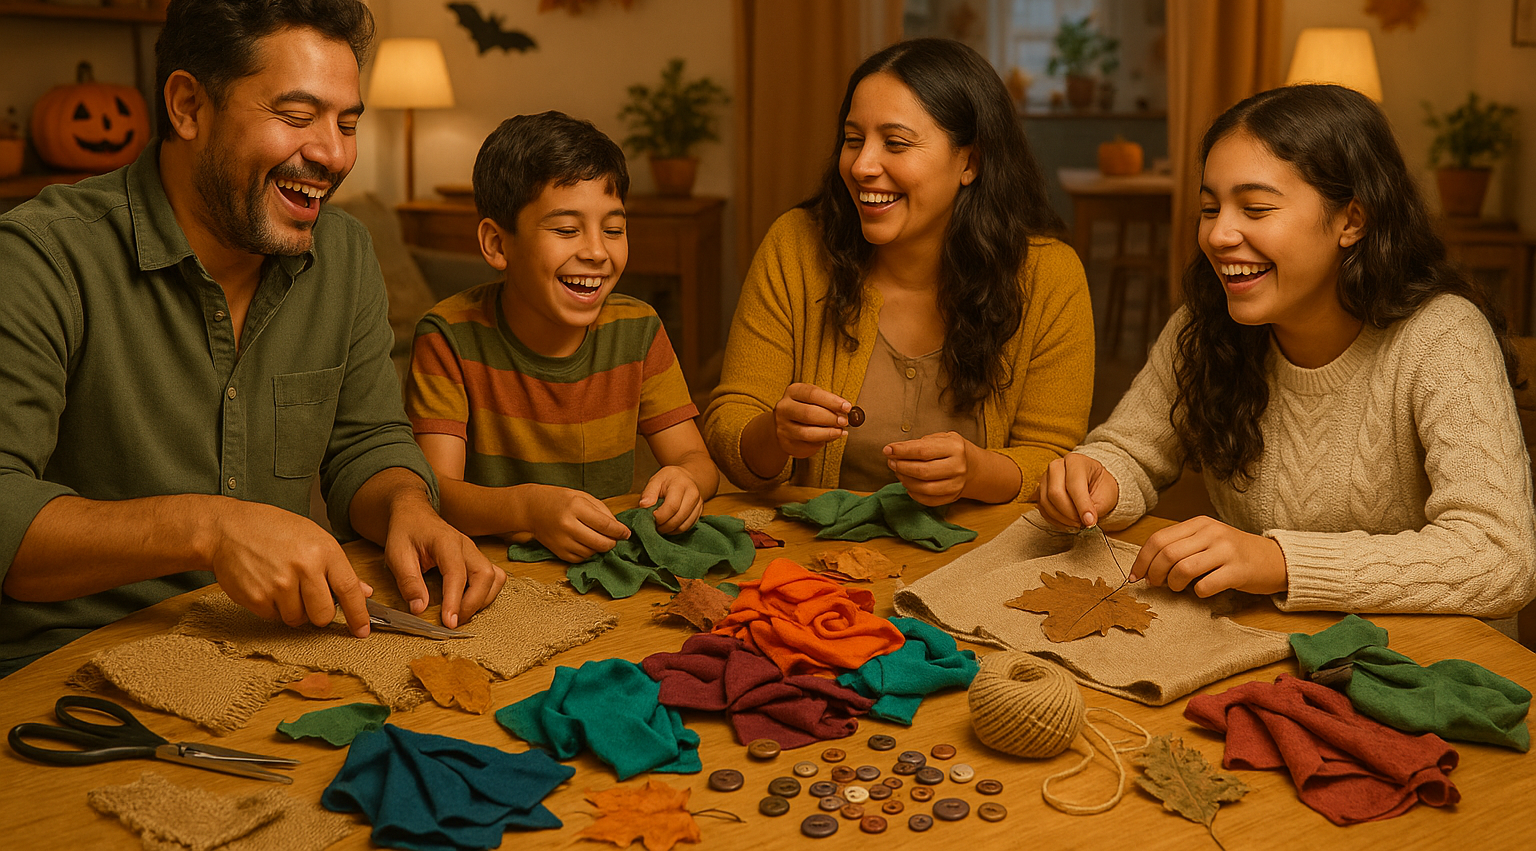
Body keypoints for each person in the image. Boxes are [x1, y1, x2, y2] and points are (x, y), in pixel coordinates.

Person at [0, 0, 506, 676]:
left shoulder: (345, 251)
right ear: (187, 107)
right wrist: (208, 529)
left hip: (265, 656)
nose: (332, 154)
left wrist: (407, 508)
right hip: (66, 675)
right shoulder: (41, 259)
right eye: (297, 117)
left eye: (347, 122)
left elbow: (366, 440)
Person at [1035, 83, 1536, 625]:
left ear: (1352, 220)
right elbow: (1131, 451)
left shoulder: (1443, 336)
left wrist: (1279, 560)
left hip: (1427, 668)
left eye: (1255, 207)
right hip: (1269, 643)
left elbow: (1500, 557)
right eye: (1210, 207)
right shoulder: (1205, 324)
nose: (1219, 234)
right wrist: (1097, 478)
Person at [703, 38, 1094, 507]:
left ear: (970, 161)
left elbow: (1054, 460)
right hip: (818, 556)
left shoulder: (1048, 275)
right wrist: (775, 434)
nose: (863, 166)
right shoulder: (796, 246)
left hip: (978, 559)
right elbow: (730, 424)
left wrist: (978, 473)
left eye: (895, 143)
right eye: (853, 140)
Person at [404, 112, 718, 563]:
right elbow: (437, 493)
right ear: (497, 244)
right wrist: (528, 509)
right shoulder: (449, 337)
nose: (595, 251)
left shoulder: (639, 328)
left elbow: (696, 459)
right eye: (567, 230)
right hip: (499, 570)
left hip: (609, 564)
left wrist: (687, 480)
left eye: (614, 229)